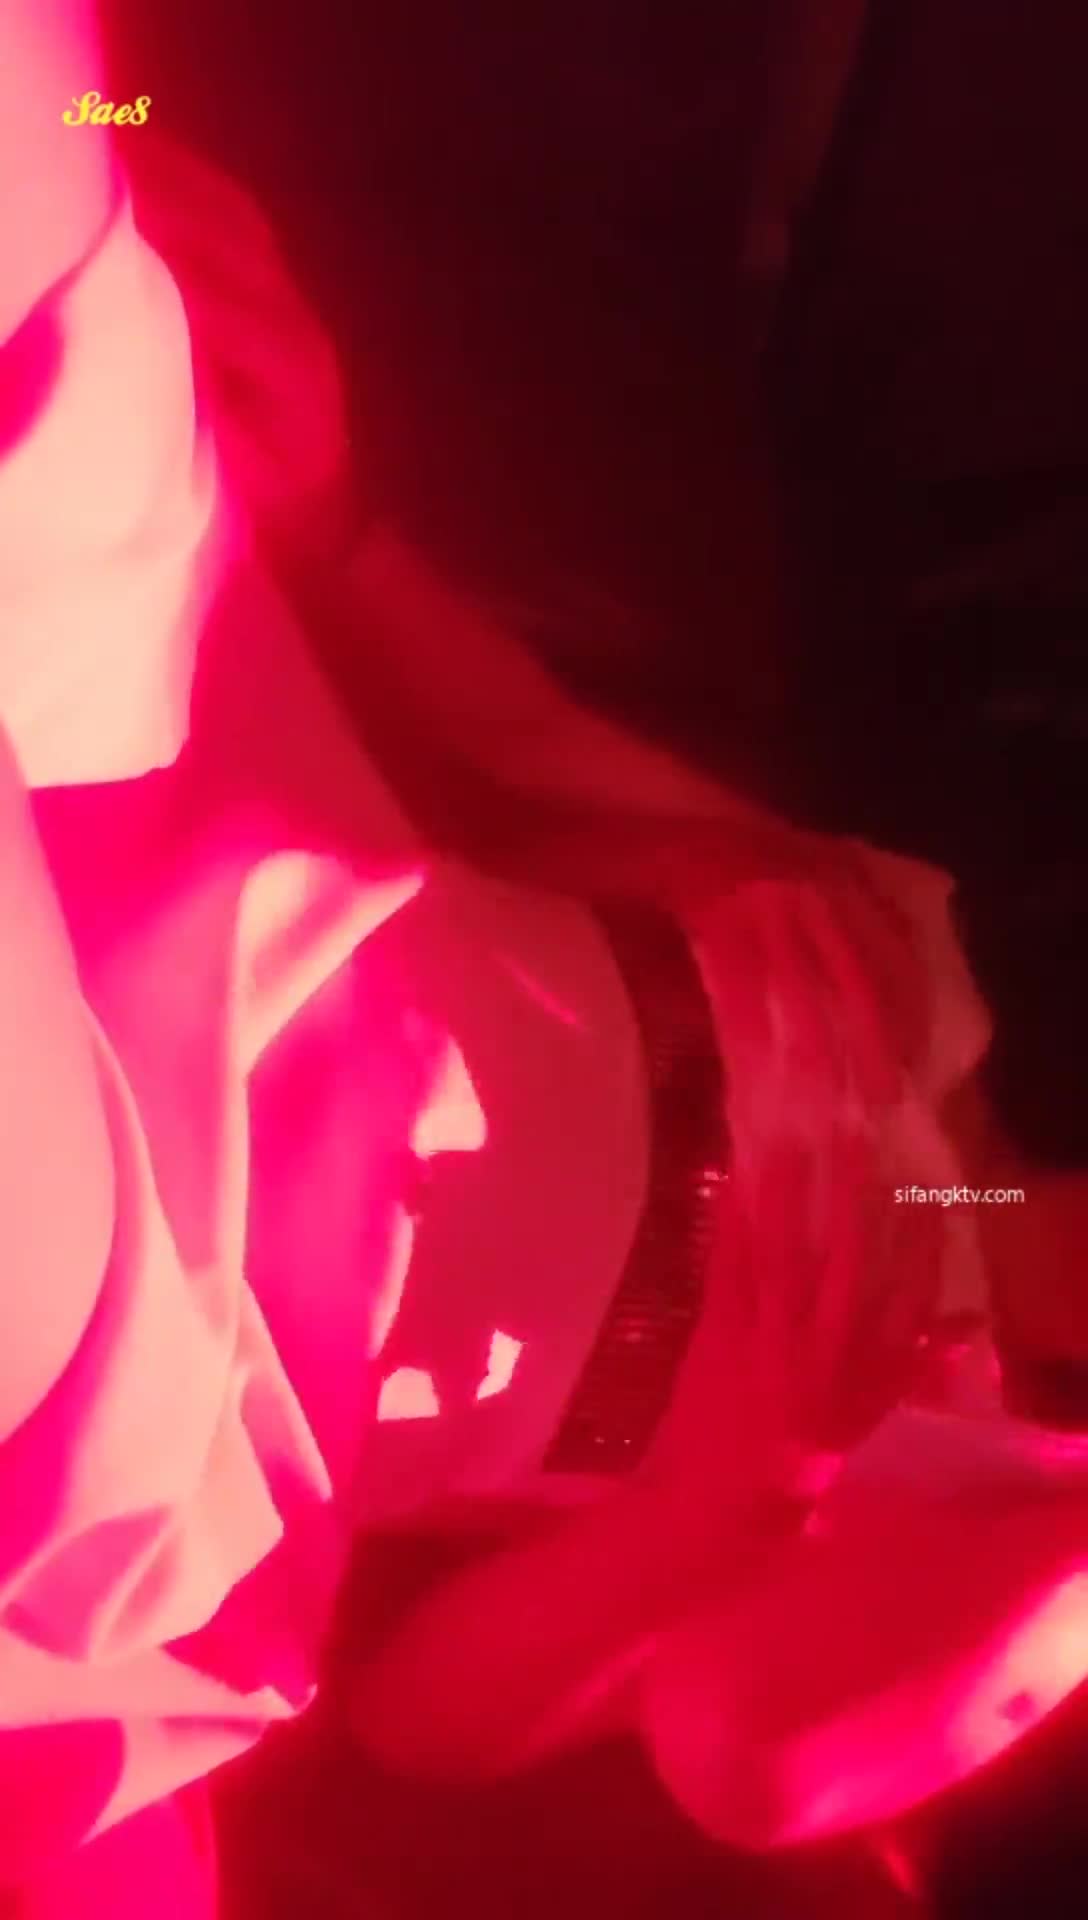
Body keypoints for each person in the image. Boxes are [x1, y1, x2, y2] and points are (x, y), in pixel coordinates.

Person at [2, 5, 1087, 1916]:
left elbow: (444, 1725)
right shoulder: (915, 990)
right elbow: (511, 745)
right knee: (73, 91)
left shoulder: (923, 1506)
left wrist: (740, 1494)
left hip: (173, 1291)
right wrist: (337, 513)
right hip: (188, 760)